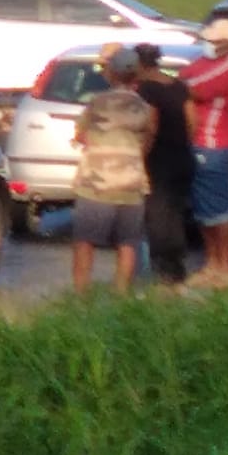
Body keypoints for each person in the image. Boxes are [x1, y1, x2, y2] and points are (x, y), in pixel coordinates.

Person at [70, 47, 155, 294]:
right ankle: (121, 295)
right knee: (127, 243)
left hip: (96, 184)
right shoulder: (144, 108)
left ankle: (81, 296)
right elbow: (148, 139)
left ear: (112, 72)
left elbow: (81, 135)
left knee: (84, 241)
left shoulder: (97, 102)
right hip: (131, 184)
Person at [179, 17, 228, 289]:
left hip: (215, 142)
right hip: (203, 142)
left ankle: (225, 265)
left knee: (218, 207)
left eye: (213, 41)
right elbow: (185, 75)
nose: (207, 45)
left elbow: (188, 85)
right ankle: (213, 264)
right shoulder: (208, 62)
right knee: (205, 208)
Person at [133, 42, 194, 286]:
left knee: (157, 214)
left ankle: (164, 267)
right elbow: (192, 121)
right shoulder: (178, 86)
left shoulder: (147, 89)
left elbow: (151, 126)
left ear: (140, 64)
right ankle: (177, 265)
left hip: (159, 159)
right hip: (182, 156)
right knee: (175, 212)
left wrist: (141, 156)